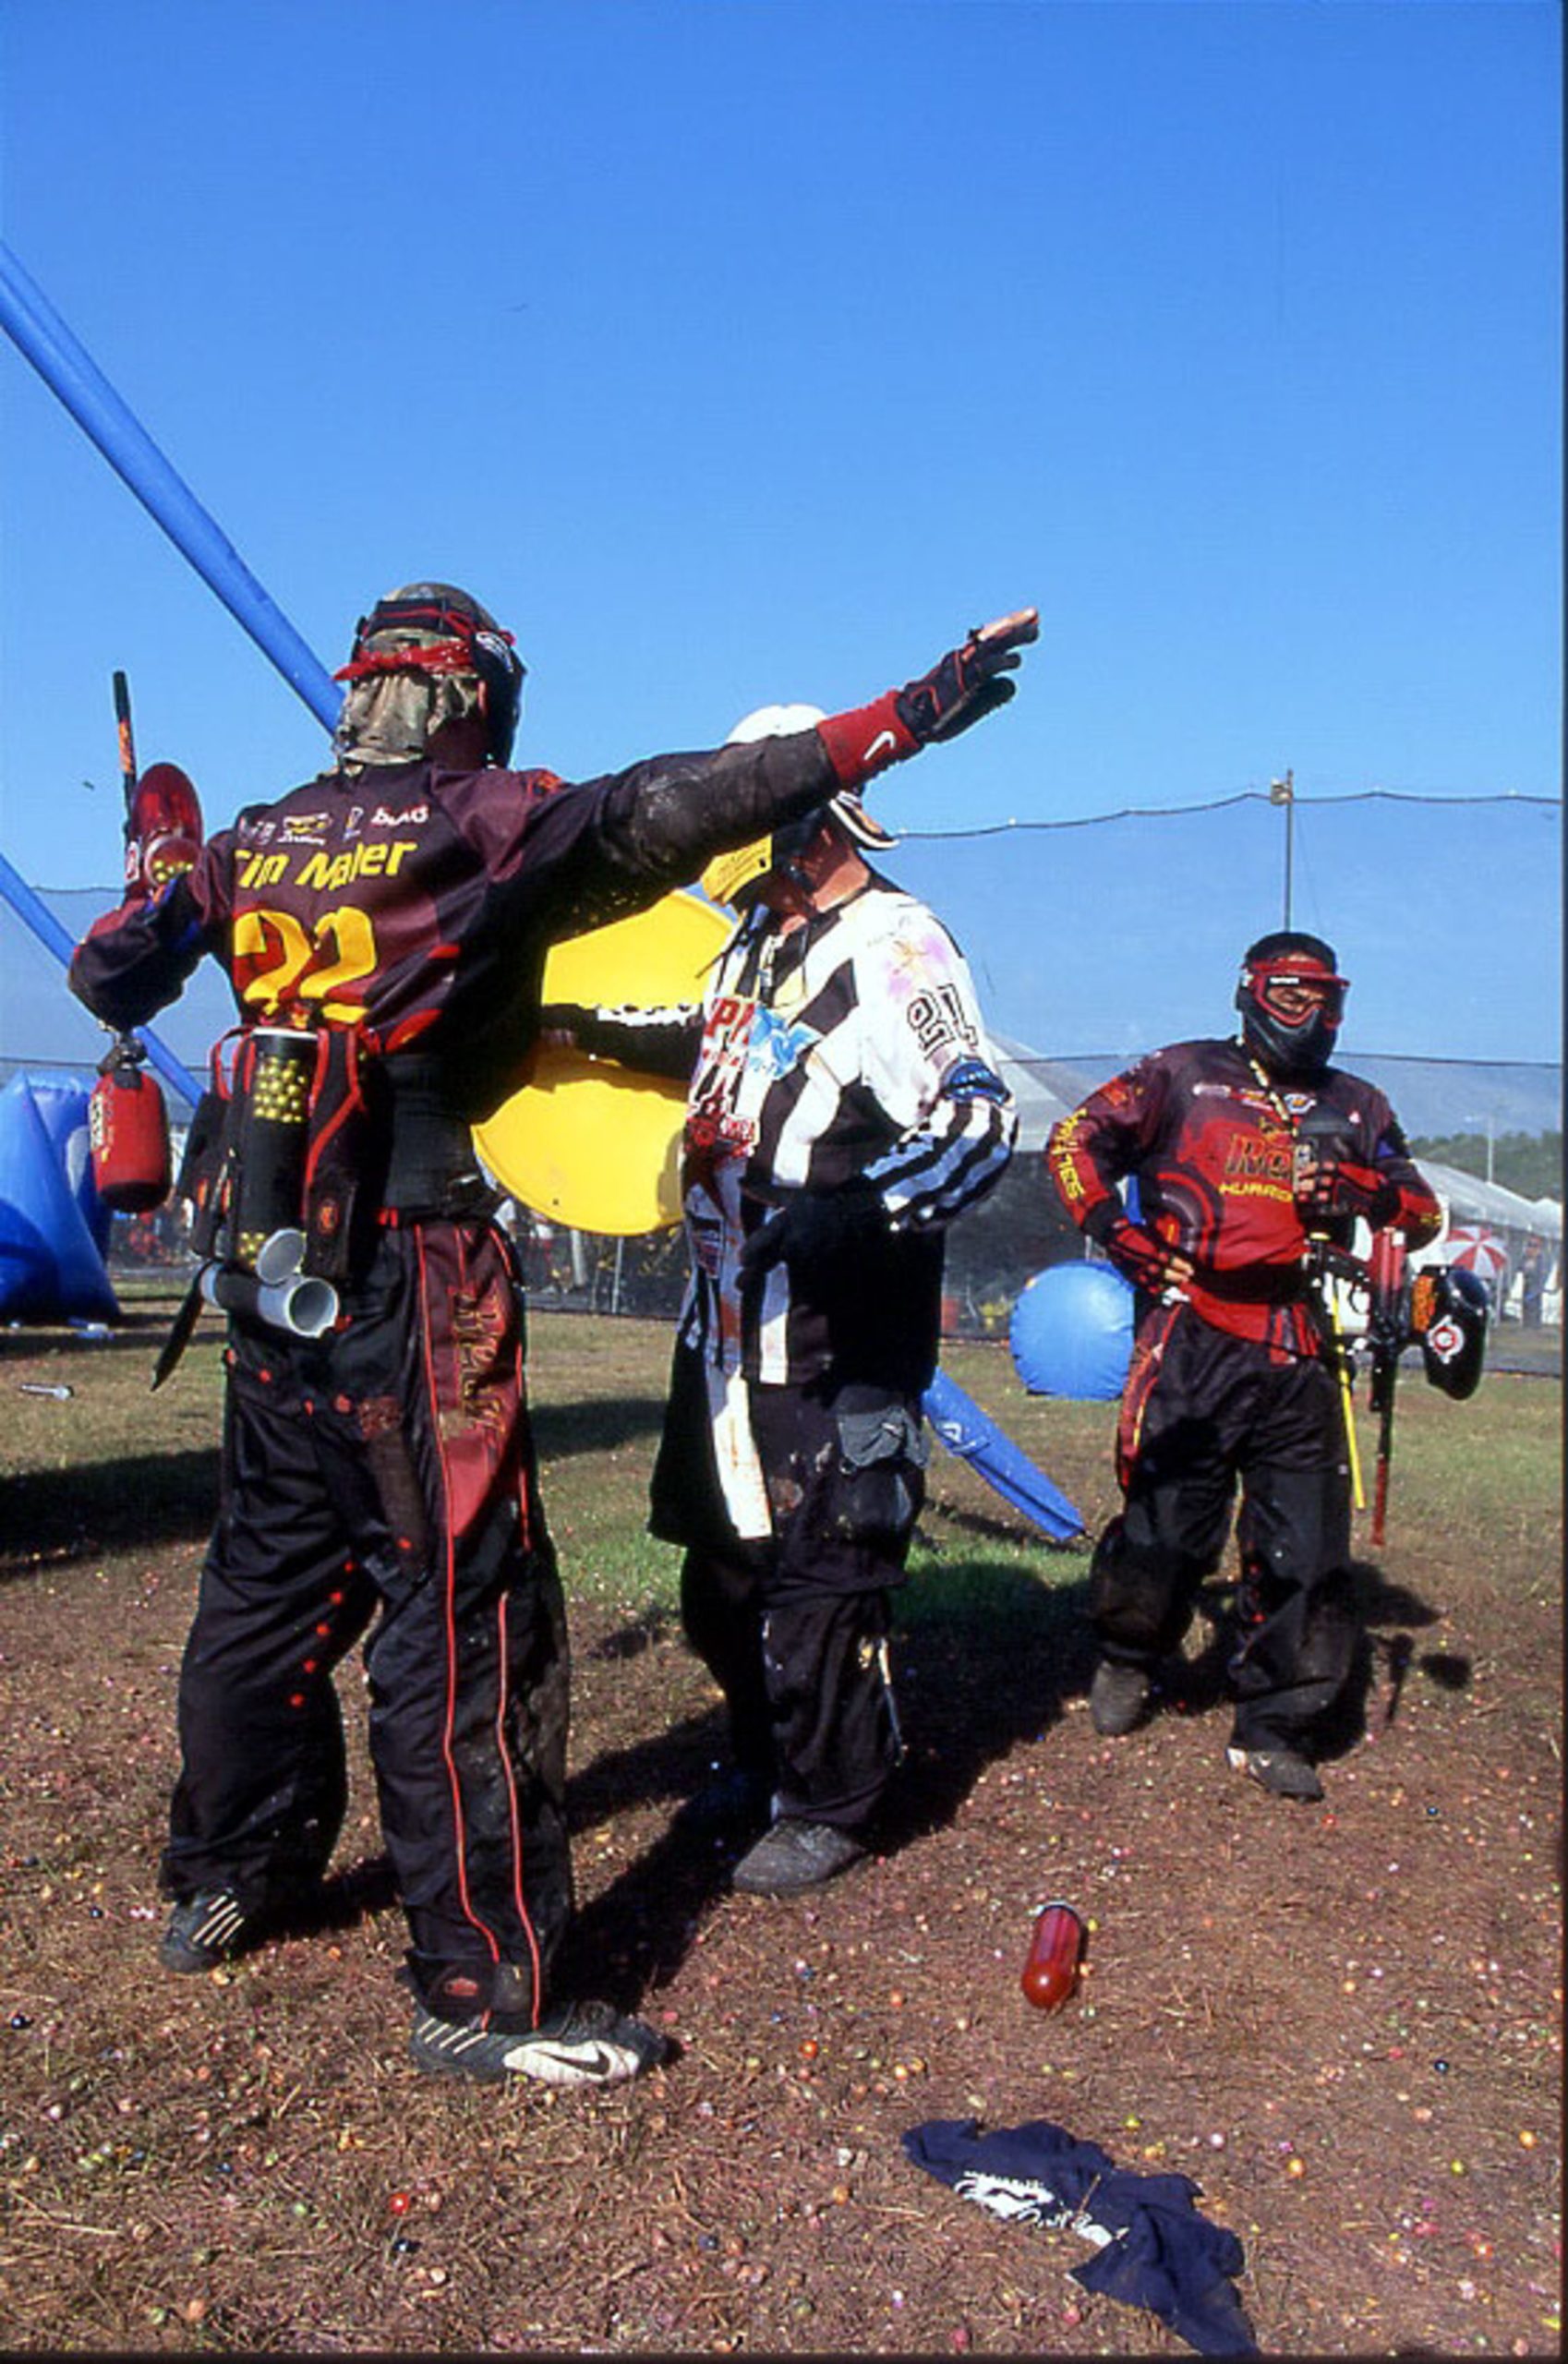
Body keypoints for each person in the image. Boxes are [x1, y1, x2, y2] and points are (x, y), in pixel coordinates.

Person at [69, 584, 1036, 2081]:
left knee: (262, 1580)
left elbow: (111, 970)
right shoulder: (474, 819)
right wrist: (895, 720)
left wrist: (158, 868)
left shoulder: (257, 837)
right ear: (470, 696)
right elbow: (676, 803)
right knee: (467, 1617)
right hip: (410, 1268)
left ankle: (225, 1871)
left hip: (263, 1258)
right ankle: (484, 1990)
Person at [548, 704, 1018, 1895]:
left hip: (835, 1341)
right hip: (721, 1336)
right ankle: (763, 1751)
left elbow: (977, 1122)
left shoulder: (898, 945)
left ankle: (833, 1797)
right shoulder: (755, 937)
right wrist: (581, 1030)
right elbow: (720, 1042)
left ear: (811, 820)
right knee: (720, 1585)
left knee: (824, 1590)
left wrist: (847, 1215)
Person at [1046, 930, 1441, 1802]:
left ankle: (1276, 1722)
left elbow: (1424, 1212)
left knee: (1306, 1546)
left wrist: (1368, 1192)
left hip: (1300, 1342)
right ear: (1250, 991)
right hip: (1194, 1330)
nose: (1312, 1015)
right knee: (1167, 1528)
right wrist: (1118, 1235)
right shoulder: (1185, 1075)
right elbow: (1073, 1141)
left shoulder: (1359, 1105)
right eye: (1293, 995)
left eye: (1328, 999)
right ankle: (1130, 1652)